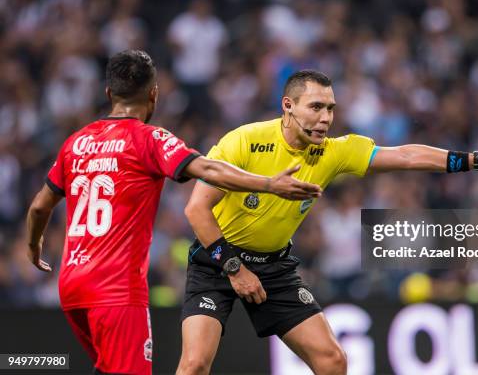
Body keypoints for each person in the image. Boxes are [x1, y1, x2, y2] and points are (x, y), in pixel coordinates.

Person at [177, 70, 478, 375]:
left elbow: (407, 156)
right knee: (194, 365)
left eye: (330, 109)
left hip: (273, 267)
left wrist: (477, 160)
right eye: (316, 107)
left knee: (333, 361)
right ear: (287, 106)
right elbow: (196, 210)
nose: (325, 118)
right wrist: (235, 268)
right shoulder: (244, 140)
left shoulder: (334, 151)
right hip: (218, 262)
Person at [25, 50, 321, 375]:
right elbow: (208, 168)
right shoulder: (149, 139)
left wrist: (33, 244)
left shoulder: (76, 143)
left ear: (109, 93)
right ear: (154, 93)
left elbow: (40, 206)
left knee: (109, 367)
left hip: (71, 284)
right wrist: (268, 184)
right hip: (116, 288)